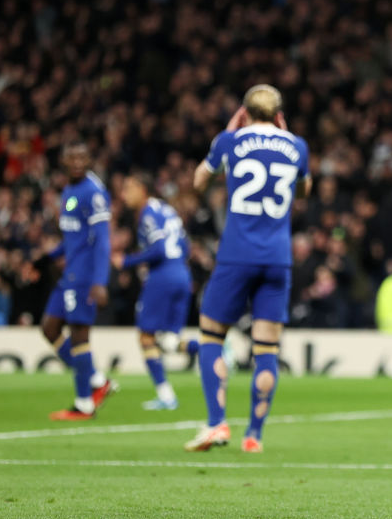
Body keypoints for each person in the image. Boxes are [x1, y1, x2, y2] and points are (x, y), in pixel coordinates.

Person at [185, 84, 311, 453]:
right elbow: (304, 192)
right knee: (267, 348)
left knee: (211, 336)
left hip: (236, 255)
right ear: (278, 115)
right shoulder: (297, 145)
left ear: (243, 112)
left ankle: (216, 424)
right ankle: (254, 435)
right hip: (277, 258)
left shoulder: (230, 141)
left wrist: (228, 134)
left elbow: (198, 181)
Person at [39, 141, 117, 420]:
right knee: (49, 328)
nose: (77, 162)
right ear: (63, 160)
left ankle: (84, 403)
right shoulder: (69, 190)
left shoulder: (94, 192)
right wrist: (50, 256)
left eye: (82, 157)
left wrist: (100, 281)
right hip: (69, 272)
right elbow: (75, 236)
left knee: (79, 336)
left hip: (84, 276)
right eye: (72, 157)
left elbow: (102, 241)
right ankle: (96, 379)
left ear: (89, 160)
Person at [112, 173, 194, 410]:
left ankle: (166, 396)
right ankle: (214, 348)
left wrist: (126, 261)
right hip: (181, 273)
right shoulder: (166, 210)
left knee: (146, 337)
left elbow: (158, 250)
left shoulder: (148, 213)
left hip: (163, 276)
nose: (124, 194)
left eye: (129, 188)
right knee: (168, 341)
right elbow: (185, 246)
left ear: (142, 189)